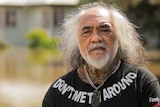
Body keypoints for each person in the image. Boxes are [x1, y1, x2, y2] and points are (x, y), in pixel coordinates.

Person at [42, 2, 160, 107]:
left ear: (119, 38)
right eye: (86, 31)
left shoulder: (142, 82)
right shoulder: (58, 92)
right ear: (76, 42)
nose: (96, 38)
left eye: (105, 30)